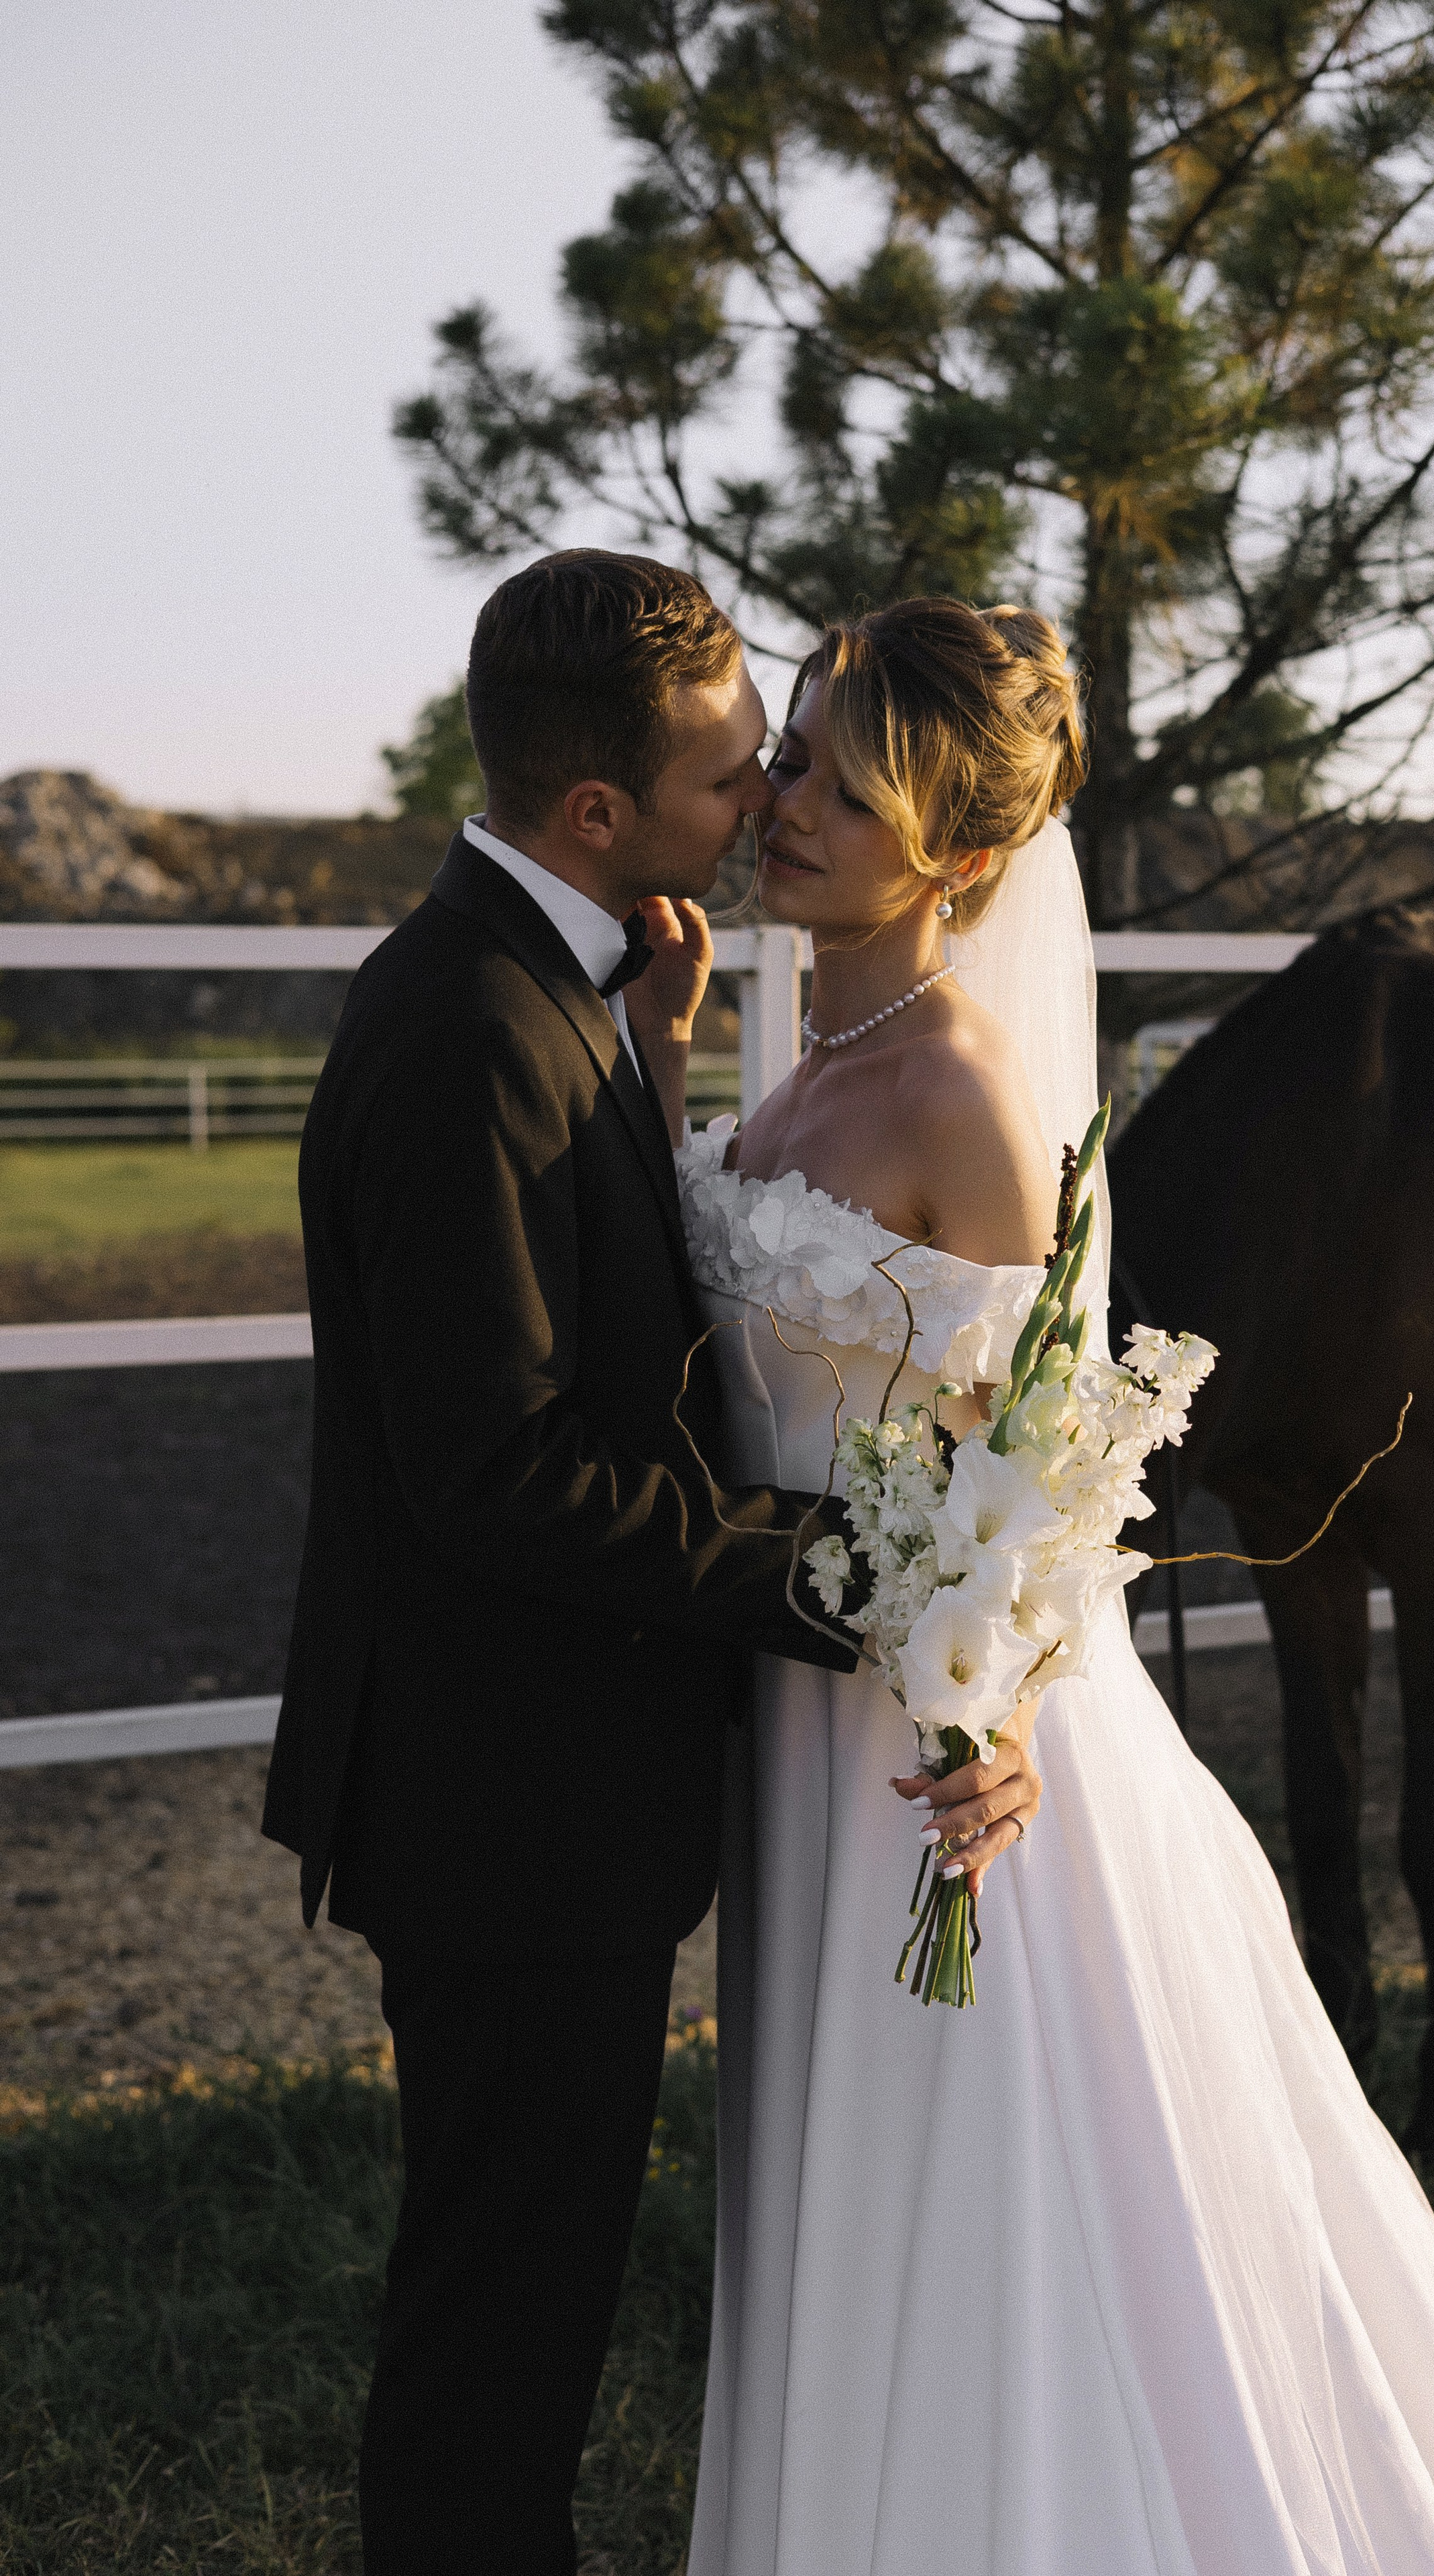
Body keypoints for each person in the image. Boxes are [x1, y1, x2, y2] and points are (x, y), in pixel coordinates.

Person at [670, 594, 1434, 2573]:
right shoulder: (796, 1053)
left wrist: (999, 1696)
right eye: (793, 757)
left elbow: (1046, 1457)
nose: (783, 801)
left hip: (943, 1754)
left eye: (844, 787)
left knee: (992, 2179)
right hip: (805, 1709)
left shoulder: (968, 1094)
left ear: (961, 852)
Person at [260, 549, 1044, 2576]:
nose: (767, 802)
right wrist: (861, 1586)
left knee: (525, 2289)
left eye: (811, 771)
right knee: (501, 2313)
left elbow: (998, 1432)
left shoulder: (564, 1000)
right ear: (602, 810)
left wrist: (652, 1066)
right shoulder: (473, 1029)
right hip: (507, 1791)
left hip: (596, 1773)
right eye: (740, 771)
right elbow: (506, 1473)